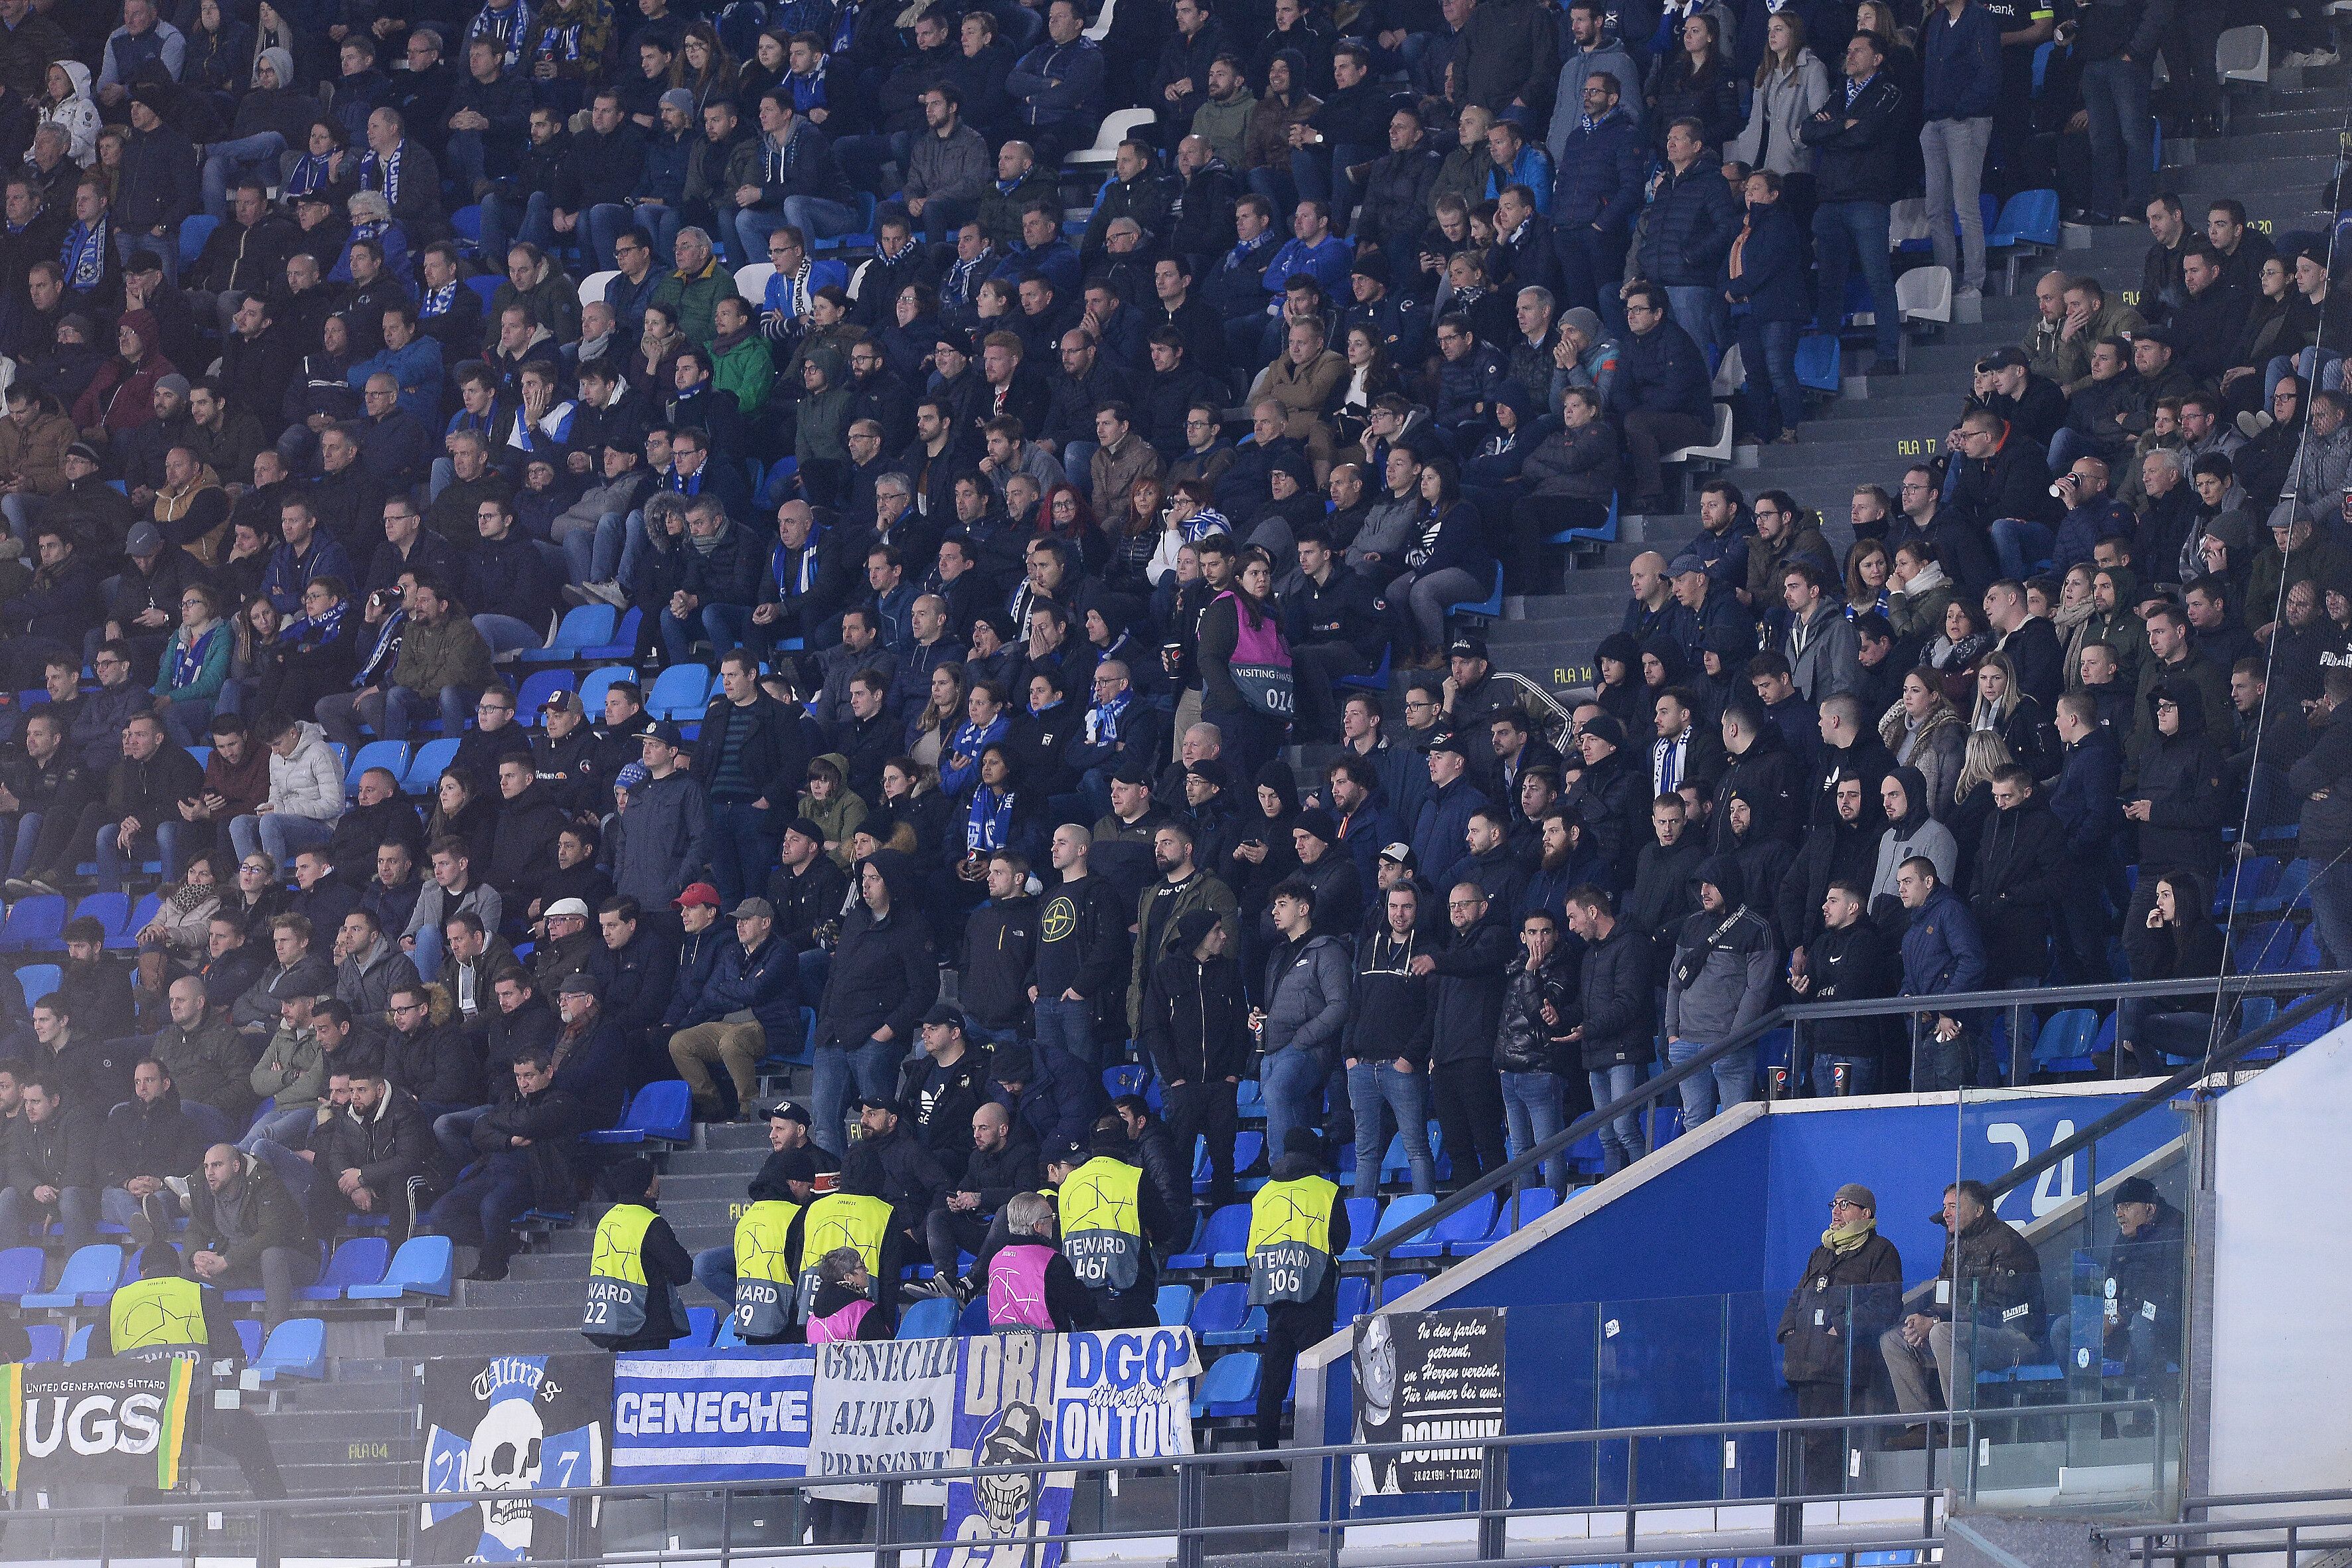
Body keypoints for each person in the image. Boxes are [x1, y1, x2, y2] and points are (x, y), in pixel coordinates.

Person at [1881, 1179, 2045, 1445]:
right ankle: (1921, 1428)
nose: (1945, 1213)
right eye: (1945, 1206)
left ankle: (1960, 1427)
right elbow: (1942, 1299)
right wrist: (1922, 1321)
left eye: (1954, 1207)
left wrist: (1936, 1321)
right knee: (1893, 1340)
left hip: (2017, 1337)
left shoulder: (2008, 1245)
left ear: (1979, 1210)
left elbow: (1998, 1312)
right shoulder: (1954, 1245)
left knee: (1942, 1333)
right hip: (1966, 1332)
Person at [1778, 1183, 1905, 1491]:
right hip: (1806, 1364)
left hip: (1843, 1367)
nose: (1836, 1211)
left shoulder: (1881, 1251)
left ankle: (1826, 1509)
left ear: (1866, 1213)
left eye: (1845, 1205)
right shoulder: (1821, 1252)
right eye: (1834, 1204)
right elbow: (1798, 1297)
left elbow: (1886, 1305)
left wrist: (1842, 1327)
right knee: (1809, 1445)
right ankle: (1811, 1507)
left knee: (1829, 1445)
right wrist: (1789, 1331)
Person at [1246, 1125, 1348, 1447]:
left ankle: (1265, 1457)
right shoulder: (1327, 1191)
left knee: (1273, 1384)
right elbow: (1341, 1242)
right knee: (1321, 1378)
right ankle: (1320, 1452)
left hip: (1275, 1298)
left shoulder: (1263, 1195)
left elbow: (1251, 1252)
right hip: (1313, 1297)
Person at [1662, 855, 1777, 1123]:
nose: (1704, 891)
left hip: (1729, 1045)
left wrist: (1733, 1039)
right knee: (1694, 1123)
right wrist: (1672, 1033)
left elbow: (1757, 991)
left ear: (1729, 884)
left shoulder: (1756, 928)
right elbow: (1675, 982)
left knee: (1735, 1124)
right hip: (1686, 1042)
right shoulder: (1691, 924)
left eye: (1711, 884)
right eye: (1701, 884)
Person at [1055, 1122, 1176, 1328]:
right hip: (1129, 1294)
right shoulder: (1135, 1177)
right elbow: (1165, 1228)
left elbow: (1061, 1239)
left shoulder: (1068, 1184)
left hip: (1081, 1300)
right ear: (1124, 1144)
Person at [183, 1141, 310, 1327]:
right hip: (243, 1266)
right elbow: (195, 1230)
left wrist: (226, 1261)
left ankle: (276, 1331)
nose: (210, 1173)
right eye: (206, 1166)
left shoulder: (265, 1183)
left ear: (236, 1166)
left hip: (292, 1263)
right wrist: (196, 1256)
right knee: (181, 1262)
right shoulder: (205, 1188)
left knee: (272, 1255)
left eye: (217, 1165)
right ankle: (193, 1333)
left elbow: (271, 1234)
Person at [581, 1155, 694, 1351]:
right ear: (647, 1189)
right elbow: (683, 1271)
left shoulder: (607, 1220)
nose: (658, 1181)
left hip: (615, 1322)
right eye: (654, 1177)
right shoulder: (650, 1223)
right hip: (648, 1324)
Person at [982, 1190, 1093, 1330]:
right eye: (1051, 1217)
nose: (1053, 1222)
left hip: (1002, 1343)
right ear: (1038, 1226)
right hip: (1050, 1343)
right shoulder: (1053, 1262)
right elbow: (1085, 1314)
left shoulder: (996, 1261)